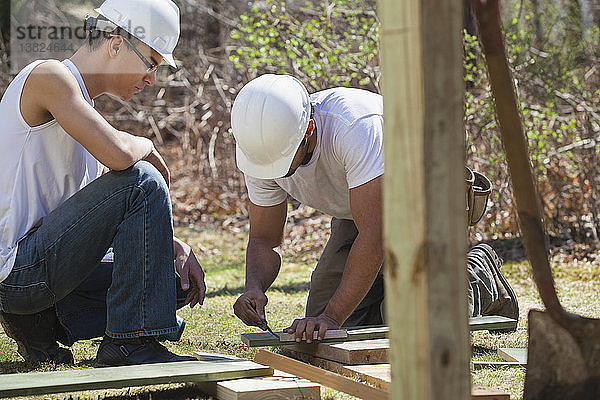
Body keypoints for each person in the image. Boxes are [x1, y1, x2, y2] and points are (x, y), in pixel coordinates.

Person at [230, 74, 518, 342]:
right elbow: (265, 239)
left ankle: (477, 273)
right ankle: (389, 298)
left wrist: (332, 316)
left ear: (308, 129)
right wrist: (254, 287)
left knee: (419, 330)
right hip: (365, 208)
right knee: (324, 331)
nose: (275, 173)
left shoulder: (355, 126)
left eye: (283, 162)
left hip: (426, 195)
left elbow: (375, 235)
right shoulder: (259, 149)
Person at [0, 0, 205, 367]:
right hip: (16, 272)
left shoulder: (82, 114)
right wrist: (146, 145)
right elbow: (122, 158)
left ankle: (40, 330)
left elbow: (94, 224)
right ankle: (129, 345)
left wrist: (170, 245)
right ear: (116, 44)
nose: (151, 80)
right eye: (152, 63)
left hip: (36, 270)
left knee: (168, 278)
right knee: (142, 181)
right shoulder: (48, 77)